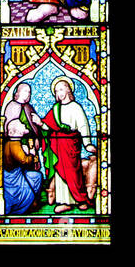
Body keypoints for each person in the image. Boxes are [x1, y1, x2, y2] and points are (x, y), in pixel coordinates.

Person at [41, 79, 95, 213]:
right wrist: (38, 122)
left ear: (68, 90)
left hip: (72, 144)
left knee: (74, 173)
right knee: (60, 173)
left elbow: (83, 125)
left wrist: (87, 143)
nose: (59, 93)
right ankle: (64, 202)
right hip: (59, 145)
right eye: (56, 90)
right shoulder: (55, 109)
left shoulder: (76, 107)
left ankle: (80, 199)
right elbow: (47, 126)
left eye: (61, 89)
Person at [2, 119, 44, 216]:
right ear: (17, 131)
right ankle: (26, 204)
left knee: (35, 176)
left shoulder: (11, 143)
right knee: (37, 177)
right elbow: (24, 161)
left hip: (15, 174)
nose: (24, 126)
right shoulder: (14, 145)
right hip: (14, 178)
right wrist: (32, 155)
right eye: (22, 125)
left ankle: (31, 202)